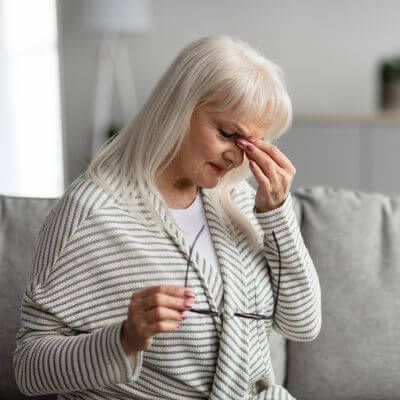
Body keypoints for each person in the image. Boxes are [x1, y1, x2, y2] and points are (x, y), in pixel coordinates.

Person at [13, 34, 321, 400]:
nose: (237, 159)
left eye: (250, 145)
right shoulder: (91, 213)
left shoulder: (239, 202)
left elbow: (302, 324)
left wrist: (278, 215)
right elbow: (29, 369)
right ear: (179, 107)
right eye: (227, 134)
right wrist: (124, 340)